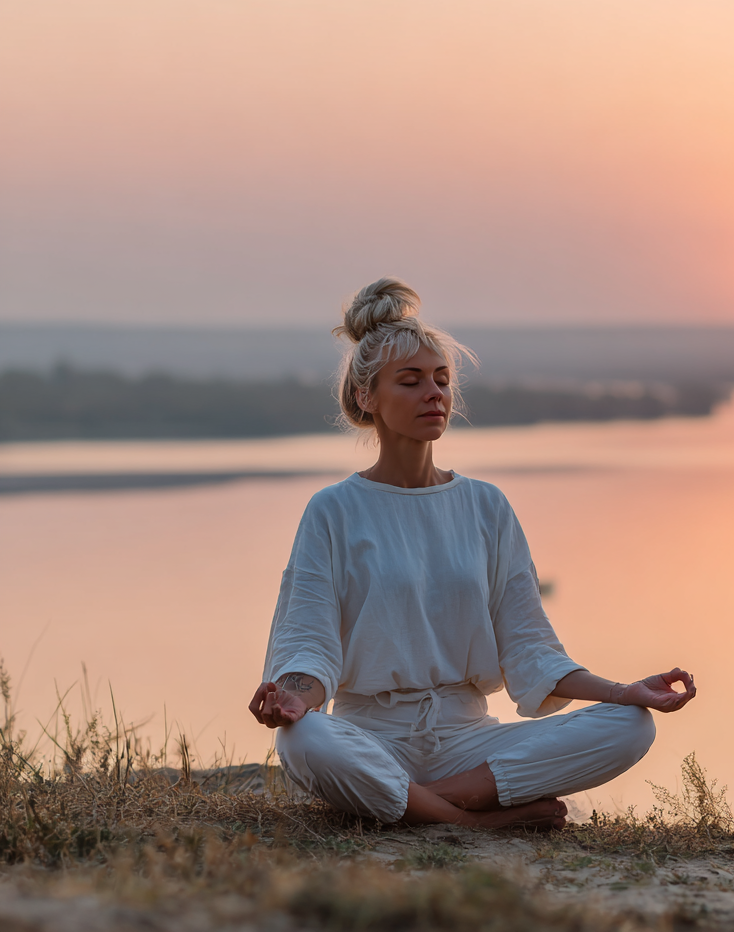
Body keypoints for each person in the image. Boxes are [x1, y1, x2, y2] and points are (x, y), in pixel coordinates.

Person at [249, 278, 697, 829]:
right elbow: (309, 640)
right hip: (370, 735)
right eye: (410, 382)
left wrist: (624, 691)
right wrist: (292, 700)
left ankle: (419, 800)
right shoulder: (334, 509)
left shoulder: (486, 506)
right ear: (367, 398)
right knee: (306, 738)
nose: (433, 394)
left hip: (468, 739)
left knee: (629, 726)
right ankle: (472, 821)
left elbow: (530, 650)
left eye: (441, 380)